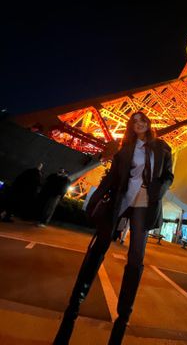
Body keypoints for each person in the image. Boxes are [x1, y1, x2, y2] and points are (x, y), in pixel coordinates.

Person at [53, 111, 174, 345]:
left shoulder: (162, 147)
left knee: (136, 255)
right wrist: (96, 199)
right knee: (100, 245)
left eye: (143, 121)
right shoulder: (125, 149)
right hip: (122, 197)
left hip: (143, 199)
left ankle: (123, 315)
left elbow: (169, 175)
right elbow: (111, 178)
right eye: (135, 122)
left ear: (149, 124)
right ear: (131, 127)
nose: (139, 124)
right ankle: (76, 300)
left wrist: (160, 190)